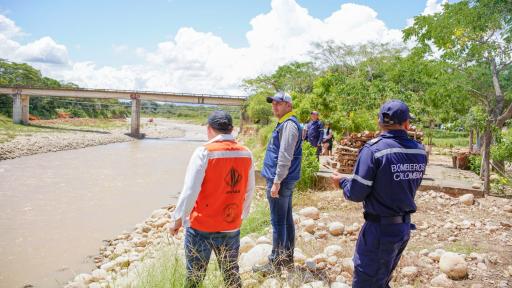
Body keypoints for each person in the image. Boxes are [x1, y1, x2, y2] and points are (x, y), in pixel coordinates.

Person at [330, 100, 427, 288]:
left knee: (367, 282)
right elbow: (395, 184)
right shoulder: (420, 151)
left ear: (380, 123)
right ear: (407, 124)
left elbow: (357, 193)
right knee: (381, 280)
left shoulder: (373, 150)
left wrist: (342, 182)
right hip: (402, 229)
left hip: (379, 231)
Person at [170, 110, 255, 288]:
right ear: (231, 129)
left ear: (209, 129)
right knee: (231, 275)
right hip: (231, 225)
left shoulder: (204, 152)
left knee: (195, 277)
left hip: (202, 226)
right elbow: (249, 189)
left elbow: (190, 190)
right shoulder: (246, 153)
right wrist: (241, 216)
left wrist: (177, 219)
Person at [254, 91, 302, 275]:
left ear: (288, 106)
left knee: (278, 222)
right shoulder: (285, 123)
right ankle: (287, 259)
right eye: (273, 103)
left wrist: (276, 181)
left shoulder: (289, 125)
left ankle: (275, 263)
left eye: (279, 103)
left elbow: (285, 156)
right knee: (286, 220)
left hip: (281, 181)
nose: (274, 106)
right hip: (284, 180)